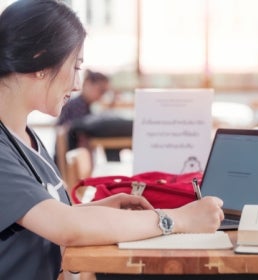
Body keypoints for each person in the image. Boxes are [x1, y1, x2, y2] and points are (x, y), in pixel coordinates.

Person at [0, 1, 224, 280]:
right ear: (40, 60)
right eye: (76, 66)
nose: (78, 84)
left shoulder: (24, 136)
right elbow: (64, 226)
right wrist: (178, 220)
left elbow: (44, 217)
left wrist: (104, 208)